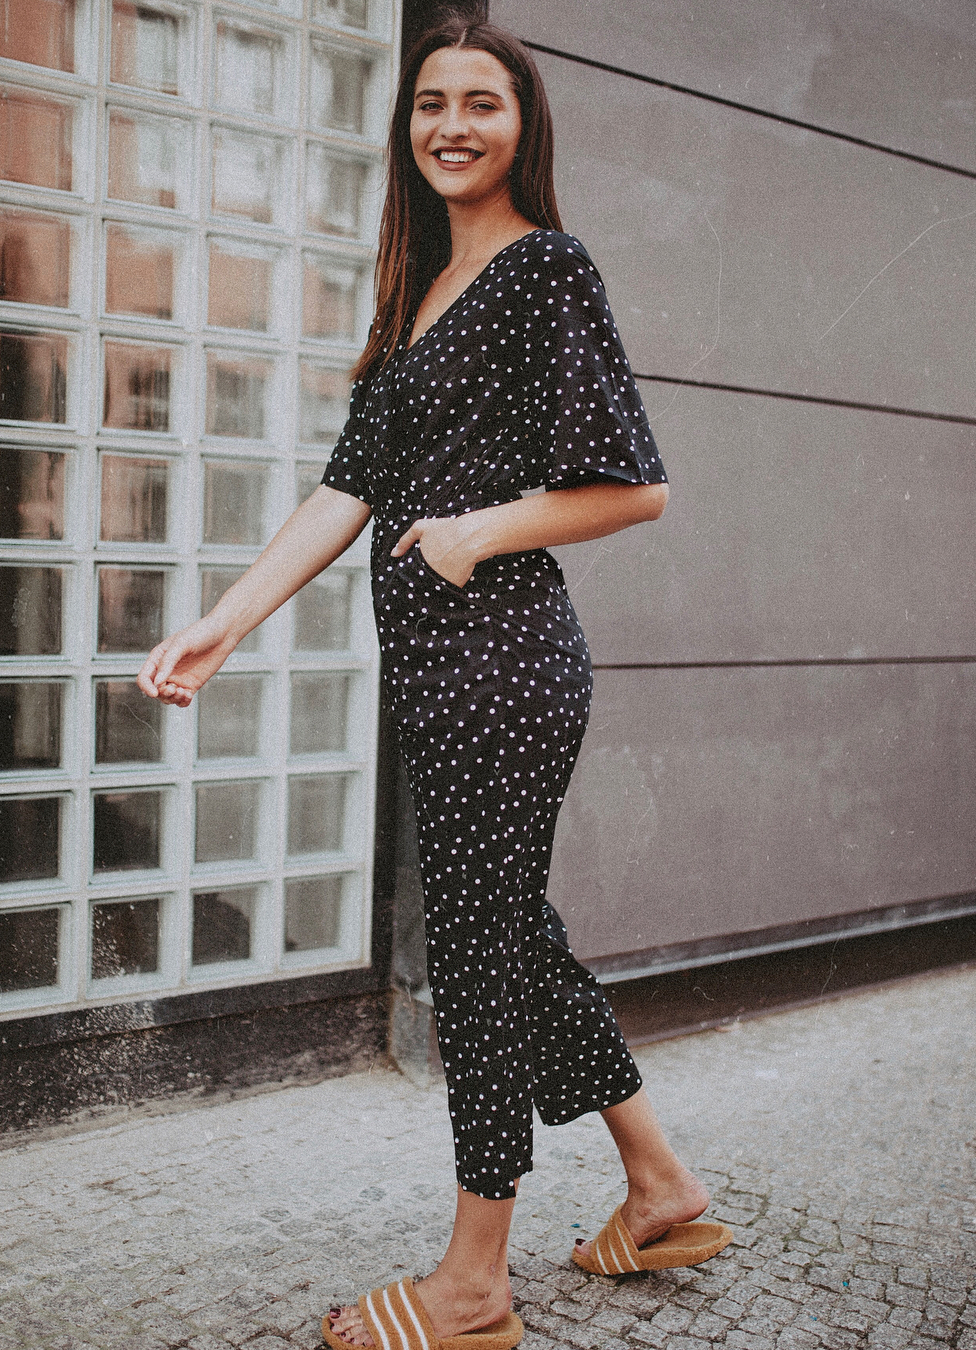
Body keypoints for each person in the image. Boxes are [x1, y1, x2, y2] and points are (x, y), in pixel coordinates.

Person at [138, 16, 730, 1350]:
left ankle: (474, 1280)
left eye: (482, 102)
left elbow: (636, 485)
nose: (452, 124)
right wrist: (225, 622)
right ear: (406, 127)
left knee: (474, 951)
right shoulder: (418, 290)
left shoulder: (544, 269)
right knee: (509, 930)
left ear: (525, 124)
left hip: (502, 663)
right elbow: (346, 487)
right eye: (430, 103)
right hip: (445, 670)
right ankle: (660, 1182)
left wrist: (477, 530)